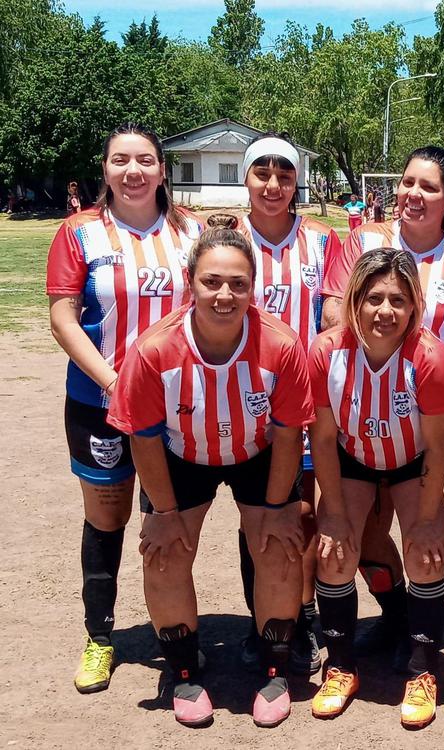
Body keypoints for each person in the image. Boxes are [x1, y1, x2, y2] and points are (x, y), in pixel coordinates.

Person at [107, 227, 316, 727]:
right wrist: (163, 513)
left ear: (254, 287)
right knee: (165, 554)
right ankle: (182, 671)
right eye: (212, 282)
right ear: (190, 283)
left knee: (280, 547)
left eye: (238, 284)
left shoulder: (282, 347)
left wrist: (274, 511)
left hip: (258, 451)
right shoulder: (153, 351)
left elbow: (289, 435)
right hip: (180, 455)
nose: (225, 295)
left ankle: (274, 669)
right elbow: (144, 437)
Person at [320, 146, 444, 668]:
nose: (413, 194)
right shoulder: (366, 239)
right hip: (359, 409)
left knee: (424, 528)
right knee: (361, 529)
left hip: (430, 422)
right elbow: (334, 305)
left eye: (428, 187)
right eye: (407, 182)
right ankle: (395, 614)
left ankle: (417, 640)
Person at [46, 122, 201, 694]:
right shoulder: (80, 232)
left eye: (144, 160)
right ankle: (99, 637)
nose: (132, 171)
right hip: (100, 401)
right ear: (104, 168)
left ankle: (180, 634)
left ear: (162, 169)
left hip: (181, 409)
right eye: (119, 160)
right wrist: (114, 381)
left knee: (174, 519)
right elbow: (63, 318)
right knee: (106, 520)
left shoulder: (193, 232)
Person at [308, 248, 444, 728]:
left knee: (426, 552)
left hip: (413, 461)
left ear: (415, 305)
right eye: (374, 298)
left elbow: (438, 449)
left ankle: (422, 670)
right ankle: (341, 666)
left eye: (398, 299)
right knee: (332, 550)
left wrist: (433, 519)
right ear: (354, 299)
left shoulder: (431, 358)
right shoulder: (327, 352)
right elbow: (325, 441)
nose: (385, 311)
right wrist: (330, 512)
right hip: (353, 458)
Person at [231, 131, 343, 676]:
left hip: (305, 402)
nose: (273, 184)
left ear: (297, 179)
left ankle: (301, 616)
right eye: (262, 173)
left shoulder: (322, 239)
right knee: (256, 516)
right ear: (245, 179)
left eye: (284, 173)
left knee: (301, 512)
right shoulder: (225, 238)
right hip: (240, 402)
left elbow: (335, 316)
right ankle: (263, 620)